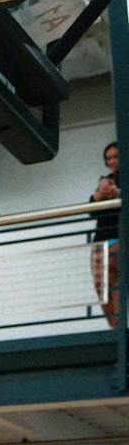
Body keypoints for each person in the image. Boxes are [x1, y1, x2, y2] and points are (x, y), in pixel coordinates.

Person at [89, 141, 120, 329]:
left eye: (115, 157)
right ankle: (114, 327)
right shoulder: (105, 180)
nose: (112, 161)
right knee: (102, 287)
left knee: (116, 284)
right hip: (101, 240)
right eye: (108, 158)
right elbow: (92, 211)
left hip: (120, 236)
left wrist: (117, 193)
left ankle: (119, 328)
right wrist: (96, 199)